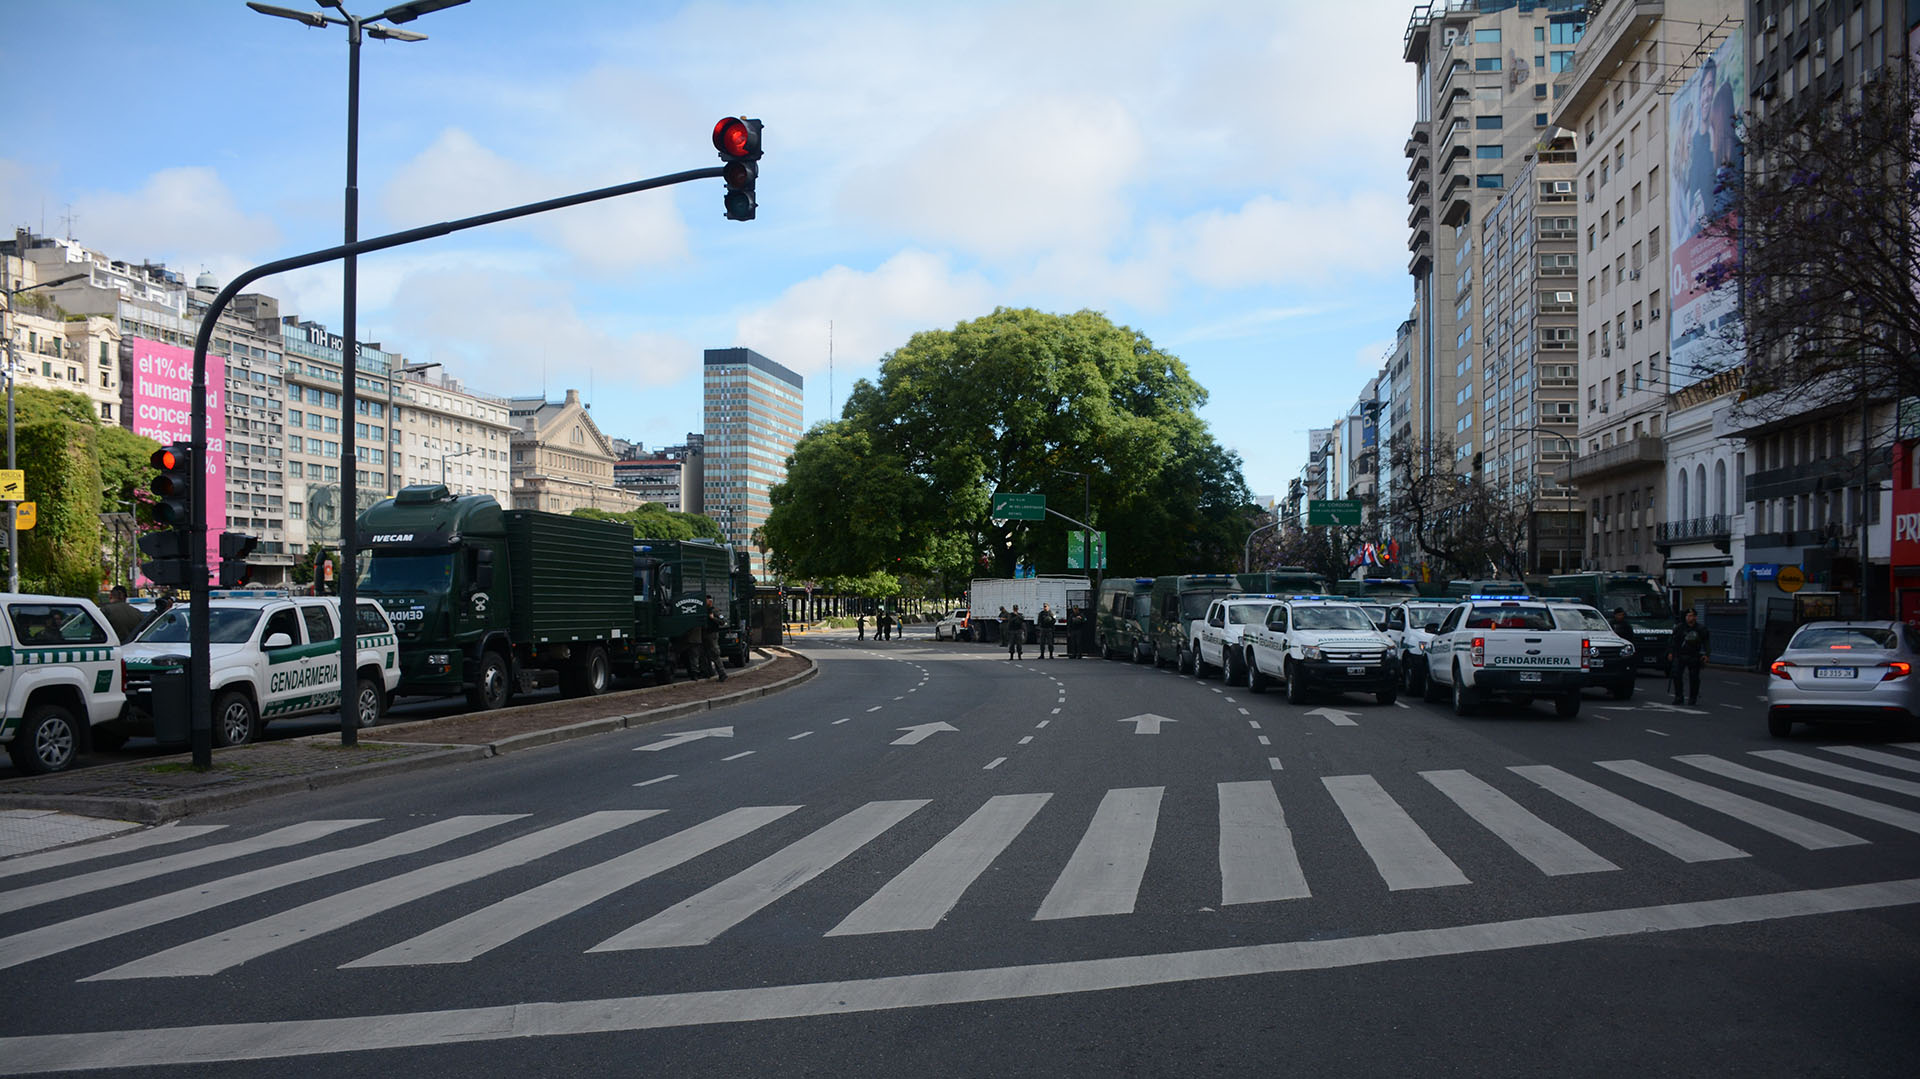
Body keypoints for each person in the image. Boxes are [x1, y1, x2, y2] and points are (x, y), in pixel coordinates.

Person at [1668, 608, 1709, 706]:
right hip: (1680, 655)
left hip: (1694, 655)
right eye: (1688, 616)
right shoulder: (1679, 628)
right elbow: (1673, 641)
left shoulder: (1701, 629)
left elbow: (1706, 642)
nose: (1690, 618)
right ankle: (1679, 697)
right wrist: (1670, 653)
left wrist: (1707, 654)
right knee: (1677, 675)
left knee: (1694, 677)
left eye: (1692, 616)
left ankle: (1692, 698)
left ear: (1695, 617)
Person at [702, 597, 728, 682]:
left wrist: (713, 618)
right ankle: (709, 672)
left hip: (712, 634)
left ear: (710, 602)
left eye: (706, 601)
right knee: (705, 654)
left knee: (715, 654)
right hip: (704, 635)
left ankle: (722, 673)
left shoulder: (715, 611)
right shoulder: (703, 610)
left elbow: (723, 622)